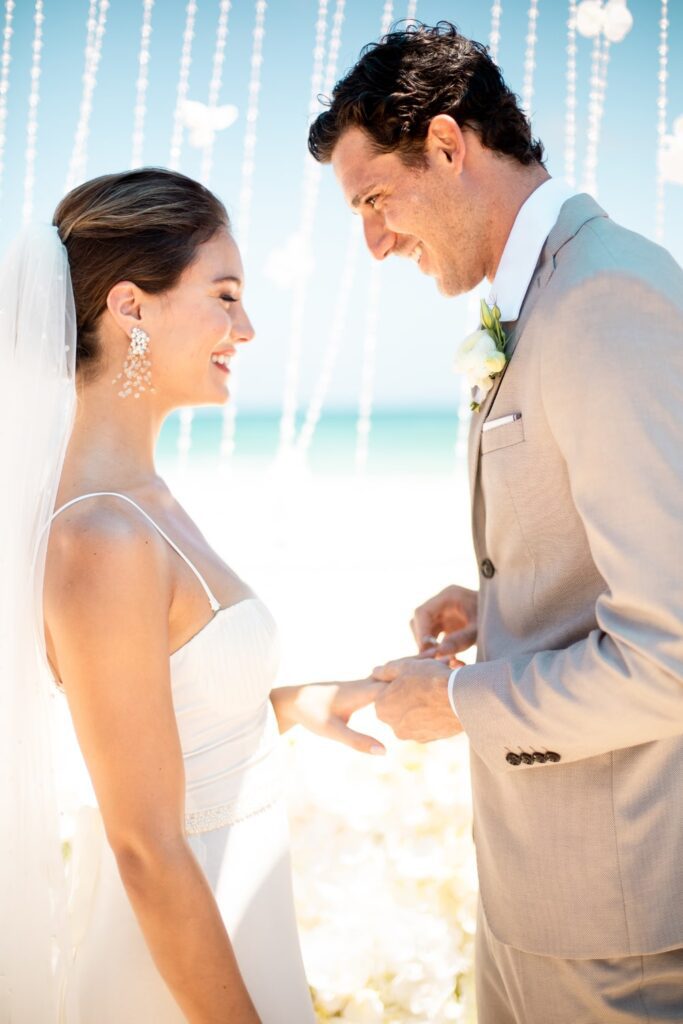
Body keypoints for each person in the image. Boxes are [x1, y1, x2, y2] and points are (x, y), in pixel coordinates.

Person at [308, 20, 683, 1024]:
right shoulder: (544, 299)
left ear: (445, 143)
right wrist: (502, 595)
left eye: (373, 200)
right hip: (537, 902)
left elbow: (670, 657)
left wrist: (461, 702)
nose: (374, 241)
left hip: (621, 933)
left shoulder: (603, 301)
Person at [0, 167, 383, 1023]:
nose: (244, 328)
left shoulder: (146, 503)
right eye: (224, 295)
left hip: (231, 910)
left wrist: (290, 704)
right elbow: (143, 844)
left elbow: (163, 715)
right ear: (131, 308)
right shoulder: (100, 535)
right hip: (172, 972)